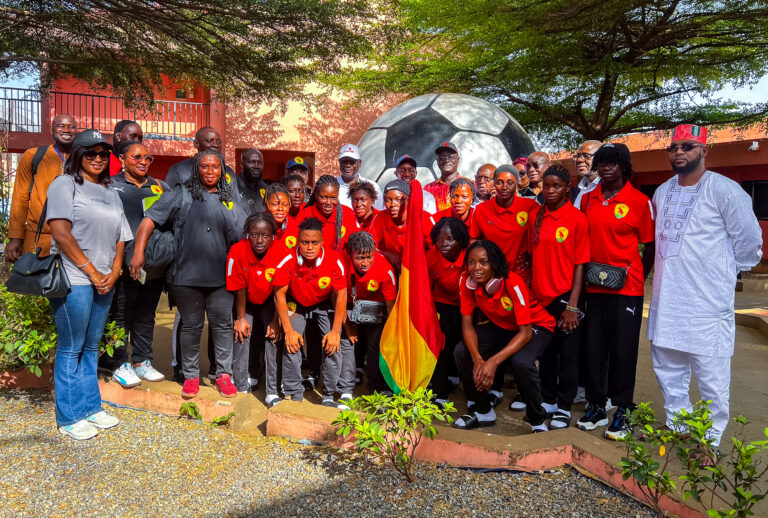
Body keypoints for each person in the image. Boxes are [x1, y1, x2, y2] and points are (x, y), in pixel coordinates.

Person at [648, 125, 762, 455]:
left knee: (712, 379)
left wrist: (722, 272)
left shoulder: (725, 191)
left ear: (704, 151)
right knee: (668, 369)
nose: (679, 152)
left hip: (707, 304)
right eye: (673, 147)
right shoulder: (662, 192)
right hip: (668, 300)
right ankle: (679, 427)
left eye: (687, 146)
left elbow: (749, 242)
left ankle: (709, 442)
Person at [130, 150, 246, 399]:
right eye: (204, 167)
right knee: (191, 326)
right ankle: (191, 375)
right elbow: (149, 221)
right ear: (196, 169)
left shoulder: (230, 201)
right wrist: (138, 254)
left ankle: (224, 375)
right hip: (186, 277)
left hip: (221, 279)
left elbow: (244, 235)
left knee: (222, 327)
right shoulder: (181, 194)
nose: (210, 171)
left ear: (222, 170)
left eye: (215, 167)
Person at [46, 129, 132, 440]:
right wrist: (93, 272)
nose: (98, 158)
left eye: (103, 154)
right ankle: (69, 416)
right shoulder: (64, 184)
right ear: (78, 155)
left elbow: (121, 236)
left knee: (92, 347)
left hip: (105, 280)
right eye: (90, 153)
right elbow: (61, 233)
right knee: (72, 347)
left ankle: (90, 407)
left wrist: (115, 270)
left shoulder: (111, 192)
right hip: (76, 279)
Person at [575, 143, 655, 440]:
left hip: (627, 289)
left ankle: (623, 408)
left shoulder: (639, 201)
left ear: (624, 166)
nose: (606, 168)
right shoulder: (588, 199)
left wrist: (637, 275)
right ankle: (597, 405)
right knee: (594, 349)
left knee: (623, 351)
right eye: (602, 163)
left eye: (612, 163)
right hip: (594, 286)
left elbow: (650, 246)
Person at [453, 240, 555, 432]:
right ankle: (483, 410)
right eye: (472, 262)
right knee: (461, 352)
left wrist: (492, 362)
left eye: (483, 262)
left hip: (536, 326)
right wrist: (477, 360)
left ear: (494, 264)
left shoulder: (512, 283)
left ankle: (537, 419)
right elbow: (467, 324)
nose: (476, 268)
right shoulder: (466, 282)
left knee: (521, 362)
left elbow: (525, 332)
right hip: (502, 326)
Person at [530, 165, 590, 429]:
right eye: (546, 185)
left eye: (556, 186)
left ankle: (564, 406)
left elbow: (580, 265)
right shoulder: (536, 215)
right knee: (546, 352)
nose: (550, 190)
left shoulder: (577, 219)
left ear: (568, 188)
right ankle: (549, 400)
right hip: (540, 297)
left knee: (567, 354)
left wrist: (573, 306)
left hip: (565, 297)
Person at [273, 217, 350, 408]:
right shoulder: (288, 259)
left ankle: (328, 394)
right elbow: (279, 294)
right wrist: (288, 330)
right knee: (292, 343)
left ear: (322, 242)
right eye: (305, 242)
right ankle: (294, 393)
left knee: (332, 344)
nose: (309, 247)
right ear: (298, 242)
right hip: (296, 302)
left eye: (314, 242)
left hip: (323, 303)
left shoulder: (334, 260)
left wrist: (335, 331)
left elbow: (341, 295)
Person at [109, 140, 168, 387]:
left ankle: (142, 361)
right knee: (120, 315)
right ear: (122, 159)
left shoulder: (159, 187)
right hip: (121, 263)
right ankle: (119, 363)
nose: (143, 162)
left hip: (151, 267)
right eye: (137, 157)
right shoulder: (110, 185)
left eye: (147, 158)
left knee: (146, 314)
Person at [227, 213, 288, 402]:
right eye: (254, 235)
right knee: (242, 333)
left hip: (271, 300)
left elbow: (279, 293)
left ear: (273, 236)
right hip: (246, 300)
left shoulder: (282, 252)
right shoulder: (237, 250)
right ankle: (240, 386)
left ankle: (272, 391)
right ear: (247, 234)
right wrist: (241, 318)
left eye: (265, 235)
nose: (260, 240)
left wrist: (276, 321)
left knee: (272, 336)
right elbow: (239, 287)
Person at [7, 114, 77, 262]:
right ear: (52, 129)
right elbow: (20, 198)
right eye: (60, 126)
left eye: (71, 127)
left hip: (74, 240)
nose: (66, 130)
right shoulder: (33, 156)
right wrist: (15, 237)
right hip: (37, 239)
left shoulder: (83, 158)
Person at [342, 231, 397, 393]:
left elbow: (390, 305)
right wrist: (347, 325)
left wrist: (391, 331)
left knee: (375, 345)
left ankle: (375, 386)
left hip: (377, 310)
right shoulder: (342, 263)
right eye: (360, 258)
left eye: (369, 257)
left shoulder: (384, 269)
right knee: (350, 340)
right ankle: (354, 372)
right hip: (349, 305)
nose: (365, 263)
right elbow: (337, 298)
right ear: (350, 255)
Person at [427, 217, 470, 406]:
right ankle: (440, 391)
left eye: (450, 239)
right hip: (442, 303)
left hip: (467, 305)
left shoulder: (470, 255)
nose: (444, 243)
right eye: (440, 239)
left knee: (464, 345)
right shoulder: (431, 256)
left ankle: (469, 388)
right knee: (442, 346)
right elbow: (425, 286)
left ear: (460, 240)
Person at [470, 164, 538, 278]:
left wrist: (532, 262)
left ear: (516, 184)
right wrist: (481, 261)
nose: (504, 187)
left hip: (522, 275)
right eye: (499, 182)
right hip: (492, 274)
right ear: (494, 183)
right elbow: (474, 240)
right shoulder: (481, 210)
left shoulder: (530, 206)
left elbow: (540, 237)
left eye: (510, 182)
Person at [370, 179, 432, 272]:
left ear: (408, 200)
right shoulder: (381, 217)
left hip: (420, 269)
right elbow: (369, 246)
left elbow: (436, 249)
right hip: (393, 267)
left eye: (398, 199)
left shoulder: (424, 218)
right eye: (388, 200)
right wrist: (388, 255)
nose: (392, 204)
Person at [165, 126, 238, 195]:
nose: (216, 145)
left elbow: (235, 200)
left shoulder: (228, 172)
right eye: (210, 141)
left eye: (219, 142)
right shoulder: (178, 170)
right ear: (196, 144)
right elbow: (168, 200)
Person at [297, 175, 360, 253]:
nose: (328, 203)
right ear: (316, 195)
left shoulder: (348, 214)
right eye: (323, 197)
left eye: (333, 198)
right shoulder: (304, 216)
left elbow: (355, 246)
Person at [336, 144, 384, 211]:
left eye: (352, 162)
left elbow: (380, 211)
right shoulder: (332, 186)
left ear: (360, 163)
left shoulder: (373, 186)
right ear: (339, 163)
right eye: (344, 162)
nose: (348, 165)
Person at [265, 183, 300, 256]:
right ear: (267, 204)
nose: (280, 208)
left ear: (289, 205)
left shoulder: (296, 227)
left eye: (285, 204)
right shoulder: (257, 226)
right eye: (275, 204)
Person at [426, 142, 461, 211]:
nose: (446, 160)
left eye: (451, 157)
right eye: (441, 158)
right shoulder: (428, 189)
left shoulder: (471, 186)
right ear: (437, 162)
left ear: (458, 159)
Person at [572, 140, 603, 208]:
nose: (579, 160)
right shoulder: (575, 191)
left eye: (586, 156)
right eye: (578, 156)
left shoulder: (608, 189)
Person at [237, 148, 269, 214]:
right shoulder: (232, 187)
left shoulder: (266, 189)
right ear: (242, 164)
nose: (256, 166)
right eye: (252, 162)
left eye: (259, 163)